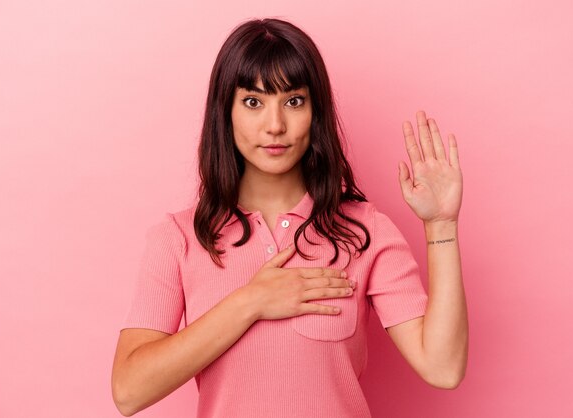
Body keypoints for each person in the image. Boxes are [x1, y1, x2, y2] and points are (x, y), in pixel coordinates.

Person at [111, 17, 468, 418]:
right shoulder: (178, 238)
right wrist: (251, 302)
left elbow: (443, 367)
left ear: (316, 112)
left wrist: (441, 226)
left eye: (293, 101)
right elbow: (128, 391)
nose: (275, 125)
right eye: (253, 102)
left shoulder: (365, 230)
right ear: (224, 113)